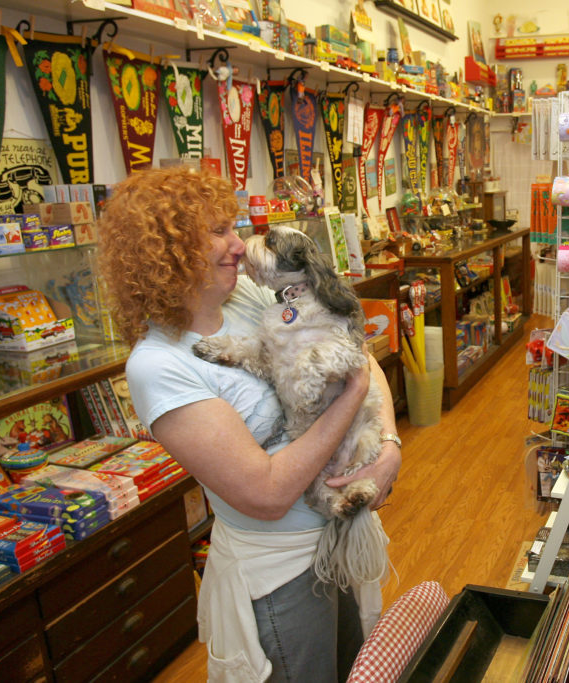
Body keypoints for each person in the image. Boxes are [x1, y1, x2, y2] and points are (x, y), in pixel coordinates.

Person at [96, 166, 400, 683]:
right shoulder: (159, 366)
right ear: (166, 252)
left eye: (233, 228)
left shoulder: (250, 298)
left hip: (339, 534)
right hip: (279, 572)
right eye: (218, 232)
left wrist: (390, 444)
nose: (239, 246)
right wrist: (350, 397)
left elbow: (359, 356)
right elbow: (266, 493)